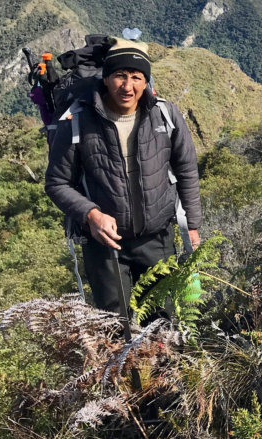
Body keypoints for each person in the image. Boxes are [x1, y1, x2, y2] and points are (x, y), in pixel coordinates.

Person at [45, 38, 202, 314]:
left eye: (136, 77)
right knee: (117, 327)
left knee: (163, 322)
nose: (127, 86)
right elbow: (57, 182)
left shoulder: (165, 115)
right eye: (119, 75)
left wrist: (192, 224)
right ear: (105, 79)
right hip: (103, 245)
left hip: (157, 239)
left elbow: (186, 169)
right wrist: (91, 214)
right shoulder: (78, 121)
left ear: (146, 81)